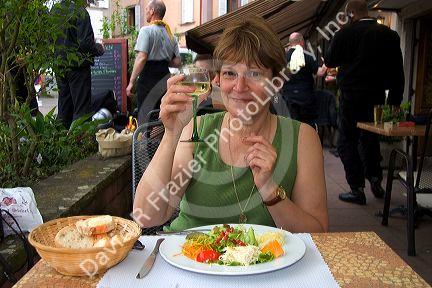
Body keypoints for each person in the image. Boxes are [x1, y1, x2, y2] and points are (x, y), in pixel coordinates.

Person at [133, 16, 328, 233]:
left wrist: (269, 189)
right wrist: (171, 133)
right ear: (218, 80)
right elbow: (146, 216)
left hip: (266, 266)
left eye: (254, 73)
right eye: (230, 73)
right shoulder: (197, 130)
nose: (239, 86)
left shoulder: (302, 138)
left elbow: (317, 234)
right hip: (189, 258)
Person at [325, 0, 404, 205]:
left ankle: (356, 188)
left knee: (347, 141)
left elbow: (330, 60)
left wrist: (341, 35)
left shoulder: (346, 34)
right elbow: (397, 71)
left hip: (351, 96)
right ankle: (376, 179)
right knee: (370, 138)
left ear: (350, 14)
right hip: (377, 95)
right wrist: (395, 101)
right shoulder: (389, 35)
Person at [126, 0, 181, 124]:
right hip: (164, 78)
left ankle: (145, 143)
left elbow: (142, 58)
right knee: (162, 115)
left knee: (145, 115)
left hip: (148, 79)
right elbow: (177, 62)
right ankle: (160, 142)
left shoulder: (146, 31)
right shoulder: (171, 35)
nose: (145, 13)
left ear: (152, 11)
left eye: (146, 10)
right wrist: (164, 59)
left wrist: (131, 82)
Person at [52, 0, 104, 129]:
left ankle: (60, 141)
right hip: (78, 67)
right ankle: (81, 144)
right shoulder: (80, 13)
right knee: (82, 109)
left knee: (64, 105)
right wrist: (99, 48)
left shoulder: (54, 11)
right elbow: (85, 43)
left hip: (59, 65)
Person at [281, 32, 327, 127]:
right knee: (308, 126)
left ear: (290, 43)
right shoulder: (307, 56)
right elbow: (320, 72)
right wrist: (326, 63)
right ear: (302, 42)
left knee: (292, 126)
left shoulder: (282, 59)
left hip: (288, 98)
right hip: (305, 98)